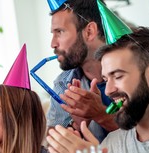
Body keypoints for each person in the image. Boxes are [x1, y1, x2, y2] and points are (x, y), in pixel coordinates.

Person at [46, 0, 118, 142]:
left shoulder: (138, 68)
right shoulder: (63, 84)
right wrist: (77, 126)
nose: (53, 44)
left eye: (59, 32)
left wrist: (101, 115)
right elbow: (53, 149)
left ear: (89, 31)